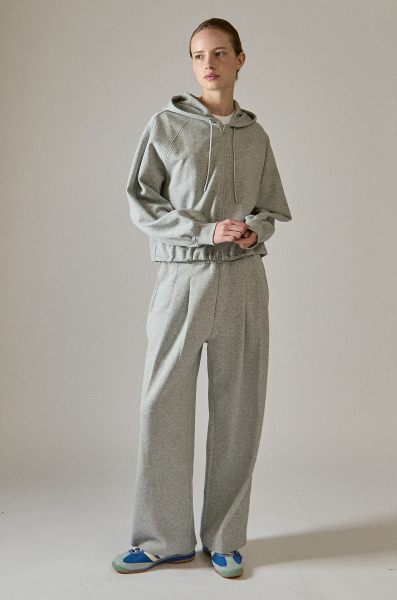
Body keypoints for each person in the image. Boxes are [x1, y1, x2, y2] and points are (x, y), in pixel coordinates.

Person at [112, 17, 292, 579]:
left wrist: (253, 231)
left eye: (218, 53)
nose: (208, 64)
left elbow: (271, 208)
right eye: (197, 55)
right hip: (182, 279)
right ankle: (163, 539)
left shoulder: (256, 136)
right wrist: (205, 231)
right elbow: (143, 203)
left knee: (239, 410)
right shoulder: (166, 126)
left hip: (243, 283)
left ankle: (225, 538)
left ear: (240, 59)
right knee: (162, 405)